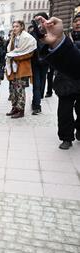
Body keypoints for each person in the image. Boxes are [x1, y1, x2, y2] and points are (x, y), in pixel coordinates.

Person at [52, 12, 80, 150]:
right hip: (65, 80)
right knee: (64, 111)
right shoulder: (63, 37)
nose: (78, 23)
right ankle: (66, 137)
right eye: (76, 21)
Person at [5, 20, 37, 118]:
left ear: (22, 27)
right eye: (13, 26)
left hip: (22, 67)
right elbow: (10, 51)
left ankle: (20, 110)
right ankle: (14, 107)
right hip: (12, 67)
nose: (14, 28)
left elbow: (30, 53)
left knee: (20, 89)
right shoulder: (12, 38)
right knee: (13, 89)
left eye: (17, 26)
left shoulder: (27, 38)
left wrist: (16, 57)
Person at [36, 16, 80, 80]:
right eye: (75, 21)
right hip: (63, 85)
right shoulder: (67, 35)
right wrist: (57, 41)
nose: (78, 23)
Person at [29, 12, 50, 115]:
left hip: (45, 61)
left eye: (40, 20)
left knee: (41, 83)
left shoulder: (50, 31)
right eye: (37, 21)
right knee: (37, 84)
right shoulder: (33, 33)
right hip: (35, 62)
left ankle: (36, 101)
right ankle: (37, 105)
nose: (39, 23)